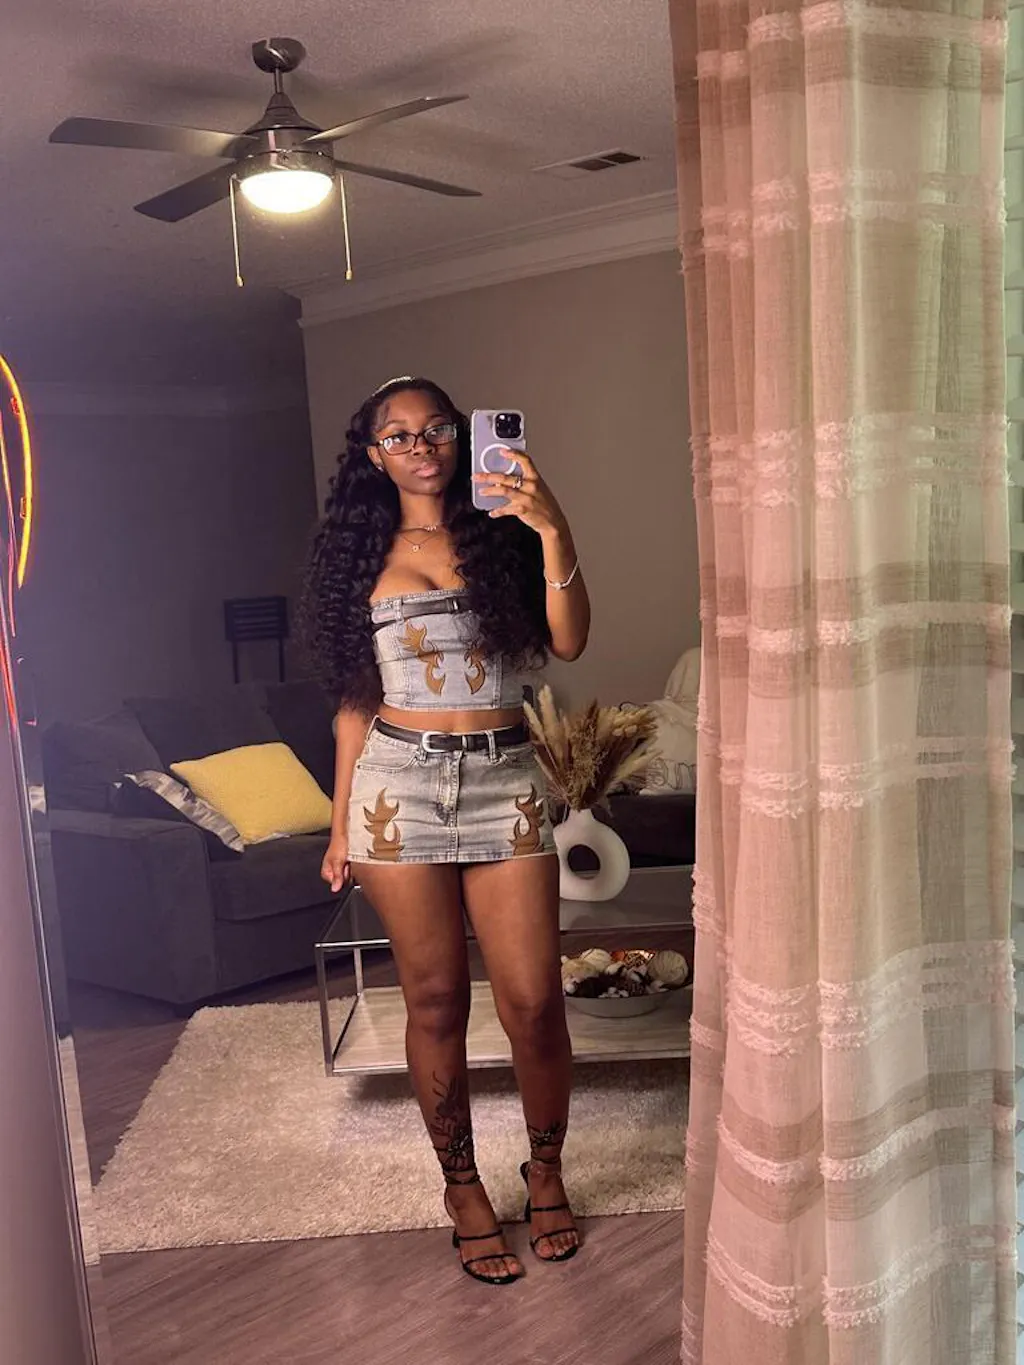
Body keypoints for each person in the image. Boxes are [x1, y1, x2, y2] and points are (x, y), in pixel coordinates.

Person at [299, 377, 590, 1286]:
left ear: (461, 439)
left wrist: (553, 527)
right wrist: (340, 825)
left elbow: (570, 641)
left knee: (534, 1001)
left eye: (435, 429)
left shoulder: (505, 533)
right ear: (373, 455)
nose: (420, 445)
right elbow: (356, 703)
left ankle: (545, 1171)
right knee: (433, 1001)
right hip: (399, 787)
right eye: (398, 435)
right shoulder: (358, 558)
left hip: (506, 783)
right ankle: (462, 1187)